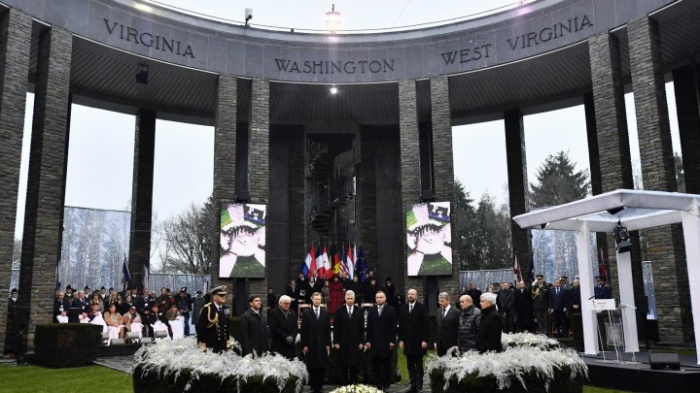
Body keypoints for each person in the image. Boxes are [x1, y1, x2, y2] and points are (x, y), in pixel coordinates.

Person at [398, 288, 429, 393]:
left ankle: (419, 387)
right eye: (409, 294)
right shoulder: (403, 308)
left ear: (416, 296)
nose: (410, 296)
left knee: (419, 365)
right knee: (410, 365)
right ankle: (412, 385)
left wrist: (425, 340)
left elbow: (426, 325)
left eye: (412, 294)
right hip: (407, 342)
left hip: (419, 342)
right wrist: (401, 340)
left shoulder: (422, 308)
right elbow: (401, 325)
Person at [366, 291, 397, 392]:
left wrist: (392, 341)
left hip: (387, 342)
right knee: (376, 366)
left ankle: (386, 385)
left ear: (385, 298)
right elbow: (369, 327)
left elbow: (393, 327)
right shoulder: (371, 310)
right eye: (377, 297)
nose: (379, 299)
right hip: (374, 343)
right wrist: (368, 341)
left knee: (386, 366)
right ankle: (378, 385)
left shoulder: (391, 310)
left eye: (381, 297)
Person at [300, 292, 331, 393]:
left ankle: (320, 386)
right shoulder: (306, 313)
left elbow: (327, 330)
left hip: (322, 344)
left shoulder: (325, 312)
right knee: (312, 367)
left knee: (321, 367)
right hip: (310, 344)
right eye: (316, 299)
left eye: (319, 299)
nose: (317, 301)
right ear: (312, 299)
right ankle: (312, 387)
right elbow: (303, 330)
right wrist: (304, 344)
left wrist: (328, 344)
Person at [333, 290, 364, 386]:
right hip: (343, 343)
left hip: (355, 343)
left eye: (351, 299)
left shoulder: (359, 311)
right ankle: (344, 387)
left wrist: (361, 342)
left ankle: (353, 385)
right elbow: (336, 328)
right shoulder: (339, 311)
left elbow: (361, 328)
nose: (350, 300)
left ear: (354, 299)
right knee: (343, 366)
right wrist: (336, 342)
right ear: (345, 299)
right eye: (348, 298)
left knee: (354, 366)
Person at [196, 285, 231, 353]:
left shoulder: (226, 308)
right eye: (221, 295)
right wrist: (202, 343)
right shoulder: (207, 308)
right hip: (211, 345)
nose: (224, 297)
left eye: (224, 295)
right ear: (214, 297)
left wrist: (227, 340)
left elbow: (227, 326)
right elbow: (201, 327)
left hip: (223, 344)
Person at [268, 295, 298, 359]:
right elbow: (274, 328)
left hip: (290, 347)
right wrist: (285, 337)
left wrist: (292, 336)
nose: (287, 305)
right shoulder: (273, 313)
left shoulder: (293, 313)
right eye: (286, 303)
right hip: (279, 345)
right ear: (280, 303)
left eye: (289, 304)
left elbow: (295, 327)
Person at [435, 292, 460, 356]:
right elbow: (437, 328)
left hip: (451, 345)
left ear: (448, 300)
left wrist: (458, 344)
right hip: (440, 345)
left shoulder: (456, 312)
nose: (440, 303)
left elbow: (458, 329)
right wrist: (436, 342)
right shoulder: (438, 311)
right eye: (439, 301)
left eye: (442, 301)